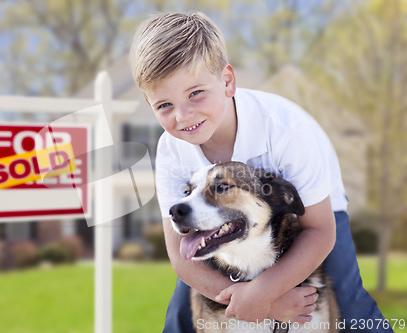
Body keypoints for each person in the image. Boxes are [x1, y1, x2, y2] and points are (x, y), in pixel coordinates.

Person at [129, 12, 392, 333]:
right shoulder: (171, 149)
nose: (182, 116)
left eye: (195, 93)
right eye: (164, 105)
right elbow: (181, 255)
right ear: (149, 103)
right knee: (183, 313)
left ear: (227, 81)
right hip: (215, 221)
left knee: (349, 303)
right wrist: (258, 301)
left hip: (314, 210)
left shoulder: (287, 130)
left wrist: (264, 291)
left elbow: (319, 231)